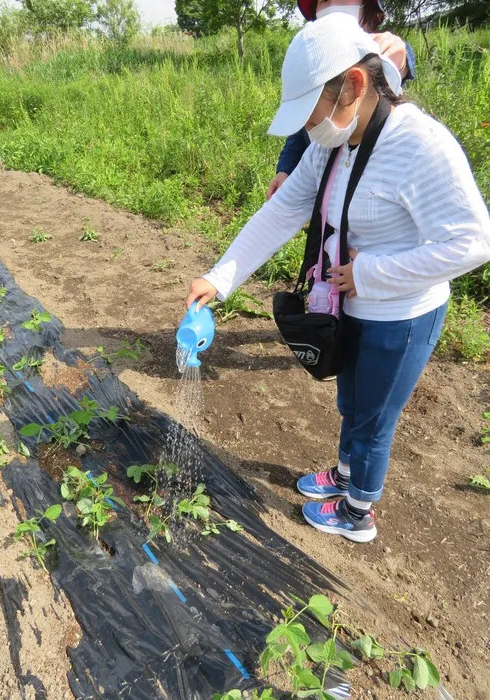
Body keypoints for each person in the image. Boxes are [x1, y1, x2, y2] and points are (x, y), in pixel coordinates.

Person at [184, 15, 490, 543]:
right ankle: (344, 475)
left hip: (402, 316)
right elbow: (282, 212)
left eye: (311, 113)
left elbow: (472, 242)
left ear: (354, 85)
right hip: (352, 306)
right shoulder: (334, 143)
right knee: (350, 400)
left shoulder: (420, 146)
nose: (309, 127)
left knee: (373, 420)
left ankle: (357, 513)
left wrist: (370, 273)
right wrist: (220, 278)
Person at [266, 0, 415, 201]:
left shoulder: (383, 48)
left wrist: (401, 60)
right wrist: (285, 169)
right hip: (324, 183)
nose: (333, 4)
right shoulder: (313, 56)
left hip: (368, 191)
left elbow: (398, 66)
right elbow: (304, 121)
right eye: (324, 0)